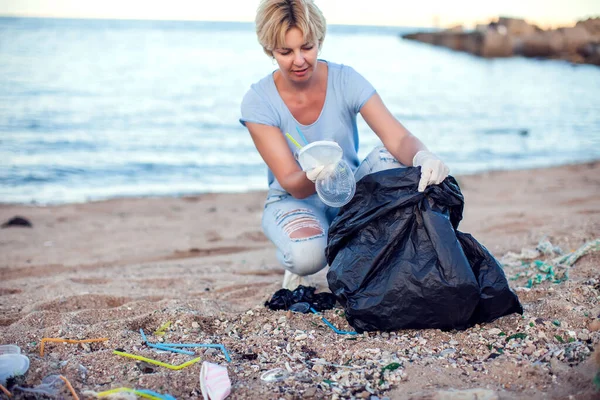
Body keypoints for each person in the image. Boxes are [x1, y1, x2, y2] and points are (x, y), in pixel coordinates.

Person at [239, 0, 449, 290]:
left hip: (349, 190)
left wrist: (424, 156)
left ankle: (359, 250)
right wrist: (314, 173)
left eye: (307, 47)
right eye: (285, 52)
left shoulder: (345, 80)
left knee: (393, 158)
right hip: (296, 198)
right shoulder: (258, 101)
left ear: (319, 41)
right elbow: (292, 182)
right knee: (307, 255)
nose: (299, 60)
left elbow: (397, 138)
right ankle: (307, 255)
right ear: (269, 49)